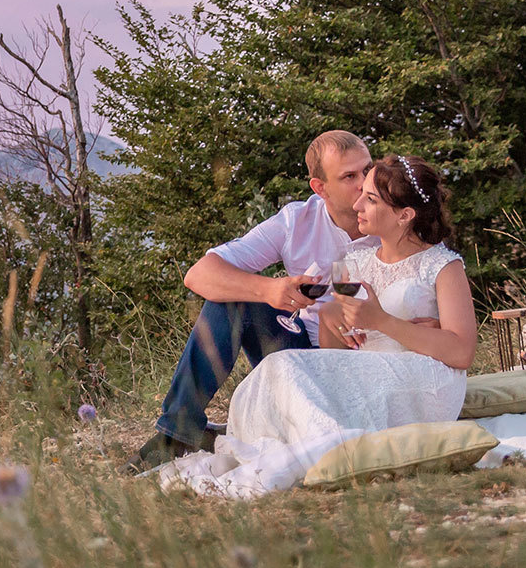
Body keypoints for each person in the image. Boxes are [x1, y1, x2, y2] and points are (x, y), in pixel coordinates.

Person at [152, 154, 479, 498]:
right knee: (281, 368)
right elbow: (334, 354)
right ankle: (187, 430)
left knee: (289, 369)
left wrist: (382, 321)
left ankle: (328, 447)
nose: (358, 203)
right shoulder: (350, 264)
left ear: (405, 215)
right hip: (365, 372)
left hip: (424, 379)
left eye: (369, 198)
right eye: (357, 189)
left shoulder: (442, 264)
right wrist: (330, 317)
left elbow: (462, 352)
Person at [127, 129, 377, 472]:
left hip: (369, 357)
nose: (364, 183)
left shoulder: (393, 215)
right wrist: (269, 290)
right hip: (300, 350)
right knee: (232, 300)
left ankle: (247, 431)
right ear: (320, 188)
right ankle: (177, 434)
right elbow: (199, 274)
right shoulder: (297, 221)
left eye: (367, 169)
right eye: (350, 176)